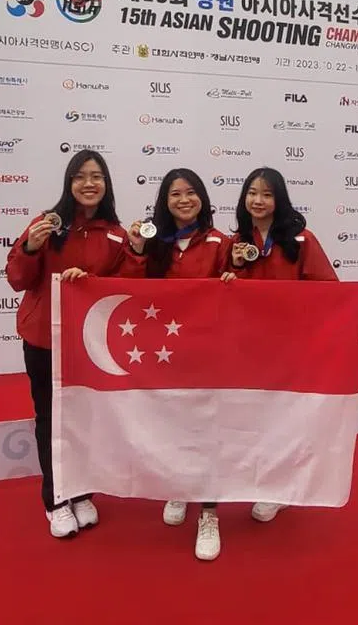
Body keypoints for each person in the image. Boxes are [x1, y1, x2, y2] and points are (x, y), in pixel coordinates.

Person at [228, 167, 358, 524]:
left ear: (279, 200)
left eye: (266, 194)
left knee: (283, 418)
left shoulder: (302, 240)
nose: (257, 201)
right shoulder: (236, 243)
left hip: (290, 351)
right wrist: (228, 276)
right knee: (254, 417)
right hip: (249, 349)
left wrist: (354, 298)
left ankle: (278, 488)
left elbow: (327, 289)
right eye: (252, 193)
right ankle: (257, 479)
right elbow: (219, 293)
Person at [6, 150, 128, 539]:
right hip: (44, 339)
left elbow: (125, 285)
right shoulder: (45, 225)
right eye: (80, 176)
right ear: (68, 183)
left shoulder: (117, 233)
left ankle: (82, 492)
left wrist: (89, 280)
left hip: (88, 343)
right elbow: (17, 279)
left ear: (106, 184)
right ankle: (56, 500)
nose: (88, 183)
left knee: (85, 418)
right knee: (50, 418)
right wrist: (29, 249)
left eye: (96, 176)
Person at [119, 168, 234, 561]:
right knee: (172, 423)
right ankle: (178, 487)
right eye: (174, 194)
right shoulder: (157, 242)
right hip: (166, 353)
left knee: (208, 427)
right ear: (164, 202)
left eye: (190, 193)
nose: (183, 200)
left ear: (202, 197)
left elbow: (240, 290)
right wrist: (135, 250)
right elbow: (133, 286)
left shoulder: (223, 242)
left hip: (209, 352)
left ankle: (209, 510)